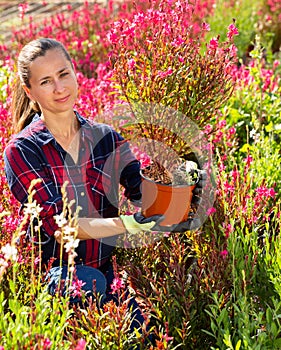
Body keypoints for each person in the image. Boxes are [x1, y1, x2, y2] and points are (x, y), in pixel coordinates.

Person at [3, 38, 203, 328]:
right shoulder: (22, 151)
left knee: (146, 336)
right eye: (45, 81)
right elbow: (62, 228)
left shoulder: (106, 138)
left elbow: (140, 192)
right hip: (57, 280)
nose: (60, 88)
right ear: (29, 91)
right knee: (87, 283)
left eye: (63, 74)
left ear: (74, 73)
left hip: (107, 276)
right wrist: (132, 224)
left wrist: (179, 191)